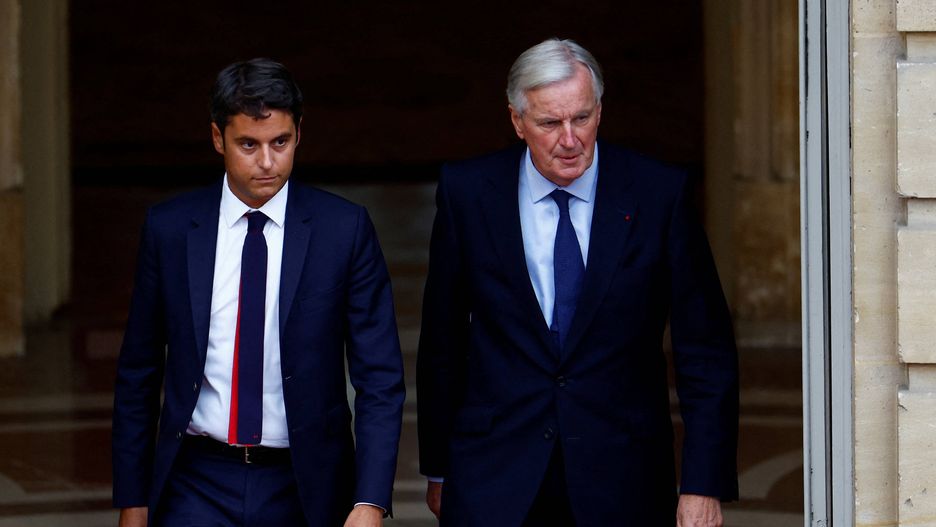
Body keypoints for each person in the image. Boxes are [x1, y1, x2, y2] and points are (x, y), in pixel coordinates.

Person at [416, 38, 739, 526]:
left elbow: (706, 350)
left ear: (600, 111)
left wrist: (702, 482)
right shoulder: (468, 192)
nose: (569, 139)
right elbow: (442, 342)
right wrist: (438, 469)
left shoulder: (658, 194)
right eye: (549, 123)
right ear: (516, 121)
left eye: (582, 118)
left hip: (623, 476)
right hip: (494, 475)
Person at [112, 58, 405, 527]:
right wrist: (133, 498)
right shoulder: (170, 230)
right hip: (195, 479)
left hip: (305, 483)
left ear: (298, 135)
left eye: (280, 143)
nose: (267, 162)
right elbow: (138, 372)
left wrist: (369, 500)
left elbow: (380, 379)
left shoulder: (343, 230)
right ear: (217, 138)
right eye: (248, 144)